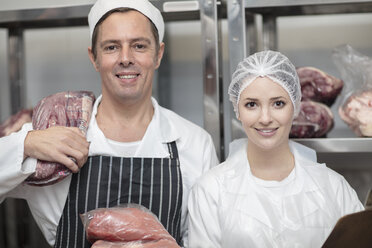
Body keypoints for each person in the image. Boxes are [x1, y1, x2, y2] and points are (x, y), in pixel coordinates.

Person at [0, 0, 218, 247]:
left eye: (139, 45)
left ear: (158, 54)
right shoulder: (53, 138)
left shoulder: (194, 143)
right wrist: (26, 142)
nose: (125, 58)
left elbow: (209, 239)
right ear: (94, 57)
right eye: (112, 47)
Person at [187, 50, 364, 248]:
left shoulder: (333, 187)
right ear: (238, 109)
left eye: (278, 103)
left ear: (295, 106)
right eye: (251, 104)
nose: (265, 118)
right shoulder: (210, 191)